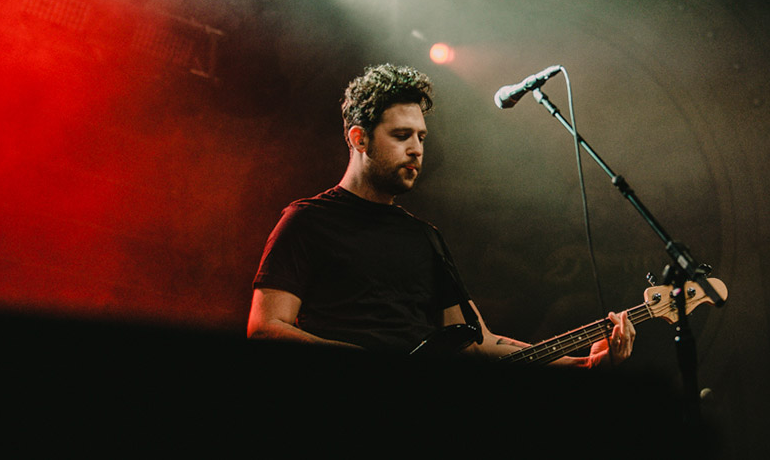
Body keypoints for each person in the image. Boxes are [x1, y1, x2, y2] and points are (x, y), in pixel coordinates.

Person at [247, 63, 635, 367]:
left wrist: (583, 364)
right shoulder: (306, 220)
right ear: (359, 138)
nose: (417, 149)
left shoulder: (424, 237)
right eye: (402, 136)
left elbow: (478, 341)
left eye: (421, 137)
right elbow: (265, 328)